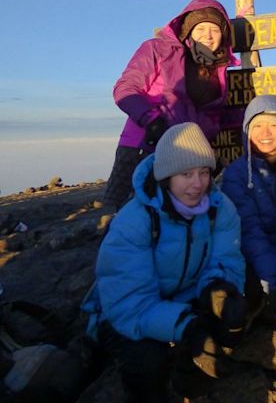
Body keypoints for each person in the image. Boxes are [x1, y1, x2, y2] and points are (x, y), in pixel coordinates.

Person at [82, 122, 247, 402]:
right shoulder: (135, 221)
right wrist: (186, 325)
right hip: (125, 311)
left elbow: (226, 259)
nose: (198, 184)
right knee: (148, 360)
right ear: (166, 177)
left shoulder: (220, 209)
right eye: (186, 174)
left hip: (184, 299)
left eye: (204, 172)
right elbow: (129, 303)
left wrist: (217, 289)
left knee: (233, 313)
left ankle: (189, 389)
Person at [103, 0, 238, 209]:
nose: (208, 36)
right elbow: (125, 89)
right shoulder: (158, 49)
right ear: (188, 29)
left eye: (215, 29)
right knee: (124, 217)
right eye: (201, 28)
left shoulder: (217, 69)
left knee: (174, 220)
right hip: (143, 147)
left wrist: (255, 120)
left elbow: (214, 116)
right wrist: (152, 121)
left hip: (187, 156)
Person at [221, 95, 276, 327]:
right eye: (257, 126)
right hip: (258, 260)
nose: (265, 133)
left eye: (273, 125)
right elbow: (249, 230)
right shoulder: (236, 174)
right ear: (247, 133)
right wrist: (273, 281)